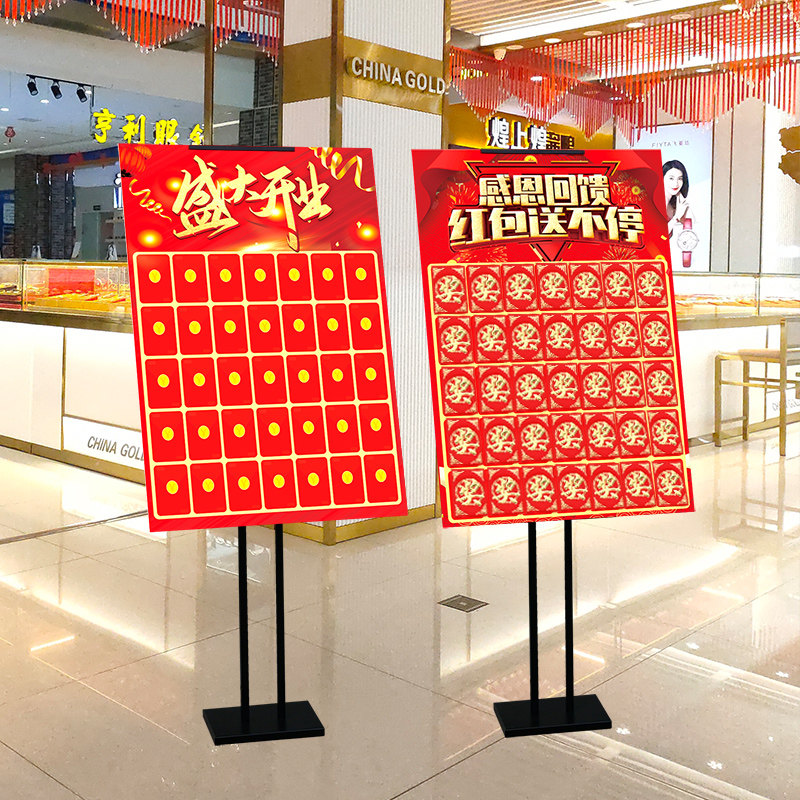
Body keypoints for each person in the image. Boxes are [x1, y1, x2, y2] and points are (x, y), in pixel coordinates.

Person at [663, 159, 698, 268]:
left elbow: (692, 227)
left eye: (680, 179)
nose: (676, 183)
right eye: (671, 178)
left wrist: (682, 199)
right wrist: (676, 218)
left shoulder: (674, 203)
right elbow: (657, 237)